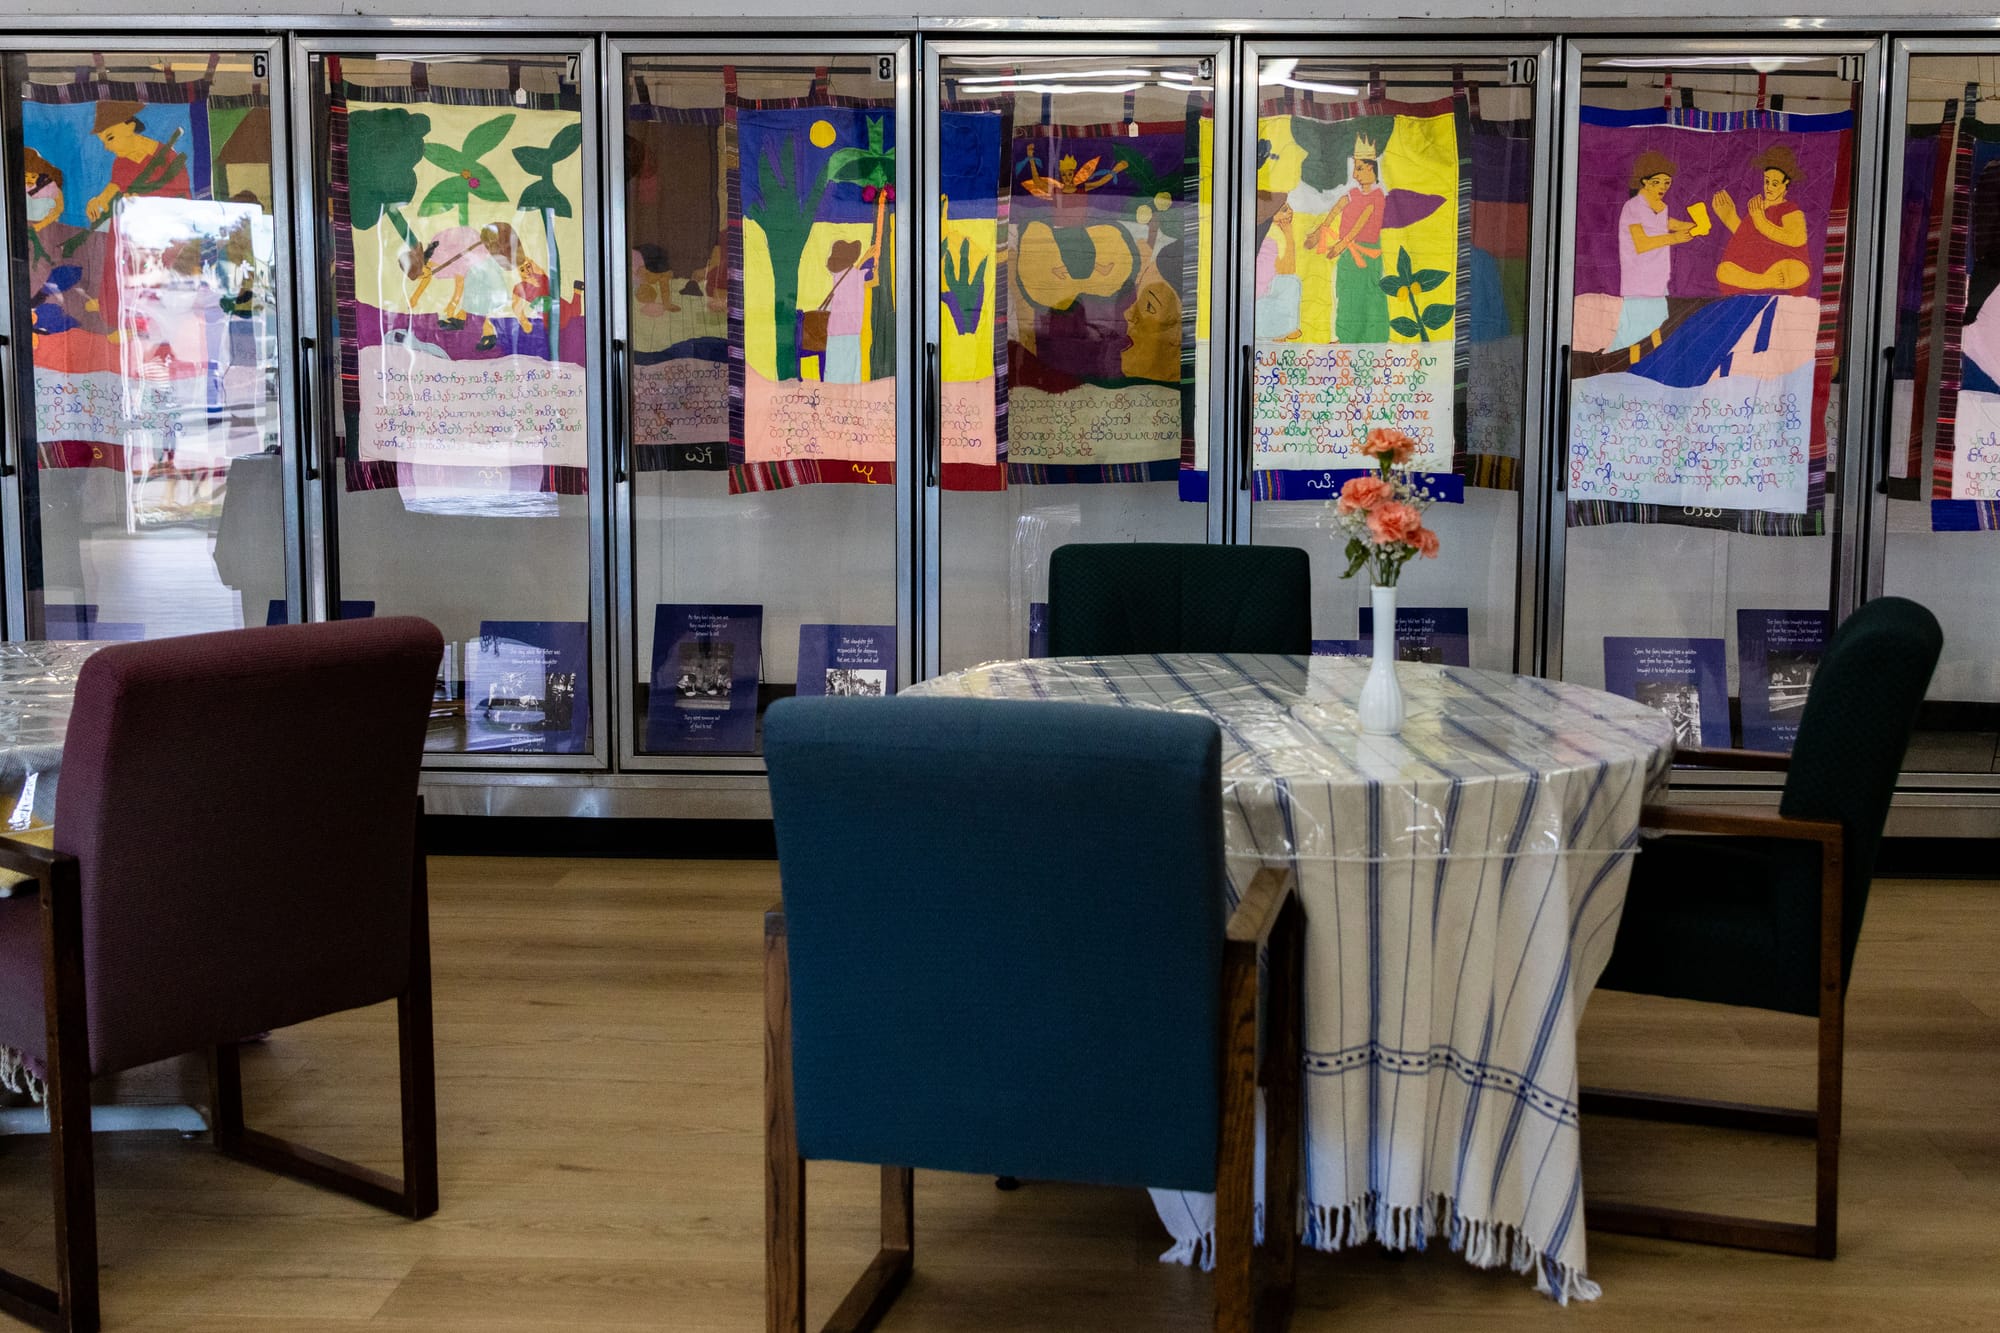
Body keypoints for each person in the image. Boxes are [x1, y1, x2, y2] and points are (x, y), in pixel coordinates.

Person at [1307, 133, 1389, 343]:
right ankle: (1344, 336)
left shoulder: (1377, 196)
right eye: (1355, 168)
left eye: (1359, 168)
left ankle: (1372, 338)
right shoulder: (1353, 193)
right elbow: (1338, 206)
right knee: (1344, 292)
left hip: (1366, 255)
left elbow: (1362, 221)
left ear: (1371, 168)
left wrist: (1342, 244)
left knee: (1367, 294)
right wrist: (1321, 230)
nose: (1355, 174)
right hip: (1348, 256)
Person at [1612, 150, 1697, 348]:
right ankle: (1628, 363)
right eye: (1657, 182)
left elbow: (1663, 223)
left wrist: (1688, 226)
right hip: (1638, 280)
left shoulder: (1660, 206)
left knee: (1659, 322)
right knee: (1636, 327)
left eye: (1667, 182)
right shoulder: (1633, 207)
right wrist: (1674, 238)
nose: (1663, 187)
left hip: (1658, 278)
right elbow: (1641, 243)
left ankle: (1650, 362)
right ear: (1644, 181)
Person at [1713, 145, 1811, 296]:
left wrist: (1760, 220)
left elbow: (1797, 238)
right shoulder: (1757, 206)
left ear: (1785, 184)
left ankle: (1764, 280)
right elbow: (1747, 239)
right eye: (1767, 181)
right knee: (1723, 270)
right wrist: (1730, 217)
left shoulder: (1789, 208)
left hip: (1781, 263)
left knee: (1799, 271)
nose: (1768, 187)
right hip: (1757, 264)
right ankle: (1763, 281)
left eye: (1774, 183)